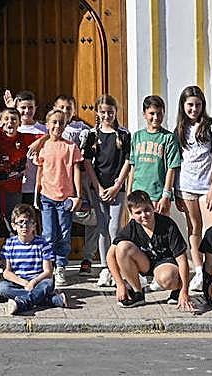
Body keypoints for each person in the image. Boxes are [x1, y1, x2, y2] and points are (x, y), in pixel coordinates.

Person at [174, 85, 212, 294]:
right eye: (190, 105)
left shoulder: (211, 126)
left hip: (208, 187)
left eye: (197, 105)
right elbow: (176, 160)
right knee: (193, 229)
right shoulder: (179, 129)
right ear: (183, 106)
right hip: (186, 186)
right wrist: (175, 190)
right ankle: (198, 270)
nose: (194, 109)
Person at [110, 190, 194, 311]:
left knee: (167, 278)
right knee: (122, 247)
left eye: (147, 210)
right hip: (146, 263)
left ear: (153, 206)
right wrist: (120, 284)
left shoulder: (168, 224)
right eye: (138, 212)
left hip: (167, 264)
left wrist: (185, 290)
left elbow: (182, 260)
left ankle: (177, 289)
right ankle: (137, 292)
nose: (144, 215)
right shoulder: (132, 226)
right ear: (131, 214)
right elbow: (110, 255)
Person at [0, 105, 42, 254]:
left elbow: (50, 133)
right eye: (6, 119)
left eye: (13, 119)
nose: (10, 122)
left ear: (19, 123)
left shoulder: (25, 138)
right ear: (0, 121)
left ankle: (17, 262)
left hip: (13, 190)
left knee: (14, 227)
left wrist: (39, 142)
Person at [83, 94, 131, 288]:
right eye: (102, 112)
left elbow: (128, 160)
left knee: (114, 228)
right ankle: (105, 267)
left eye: (110, 112)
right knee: (103, 228)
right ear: (97, 113)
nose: (106, 115)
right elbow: (87, 163)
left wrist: (117, 185)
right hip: (99, 188)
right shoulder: (93, 135)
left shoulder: (124, 135)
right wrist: (99, 187)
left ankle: (116, 266)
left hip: (116, 189)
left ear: (115, 112)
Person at [31, 109, 83, 287]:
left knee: (64, 233)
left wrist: (78, 195)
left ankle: (61, 266)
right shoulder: (43, 146)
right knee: (48, 234)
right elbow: (40, 172)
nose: (57, 126)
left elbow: (76, 171)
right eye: (54, 122)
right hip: (47, 196)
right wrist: (36, 194)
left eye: (61, 123)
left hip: (65, 198)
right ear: (47, 125)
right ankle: (48, 266)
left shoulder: (70, 147)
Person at [51, 94, 99, 275]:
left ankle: (87, 257)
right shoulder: (51, 127)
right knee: (56, 221)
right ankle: (56, 261)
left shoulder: (82, 128)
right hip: (57, 180)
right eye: (61, 108)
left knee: (93, 218)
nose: (65, 112)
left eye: (69, 108)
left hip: (82, 179)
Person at [0, 203, 68, 314]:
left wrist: (33, 282)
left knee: (48, 283)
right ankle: (49, 300)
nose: (24, 226)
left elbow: (48, 272)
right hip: (20, 282)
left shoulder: (42, 244)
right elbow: (6, 272)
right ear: (14, 226)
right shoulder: (9, 244)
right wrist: (25, 283)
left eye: (28, 222)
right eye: (20, 222)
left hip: (38, 281)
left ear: (34, 225)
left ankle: (22, 303)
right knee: (3, 287)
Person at [126, 95, 181, 216]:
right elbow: (133, 167)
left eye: (159, 113)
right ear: (144, 114)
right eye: (152, 113)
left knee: (159, 231)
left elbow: (171, 168)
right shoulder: (137, 136)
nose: (156, 117)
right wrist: (129, 192)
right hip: (138, 194)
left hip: (157, 196)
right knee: (138, 232)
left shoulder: (168, 138)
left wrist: (166, 195)